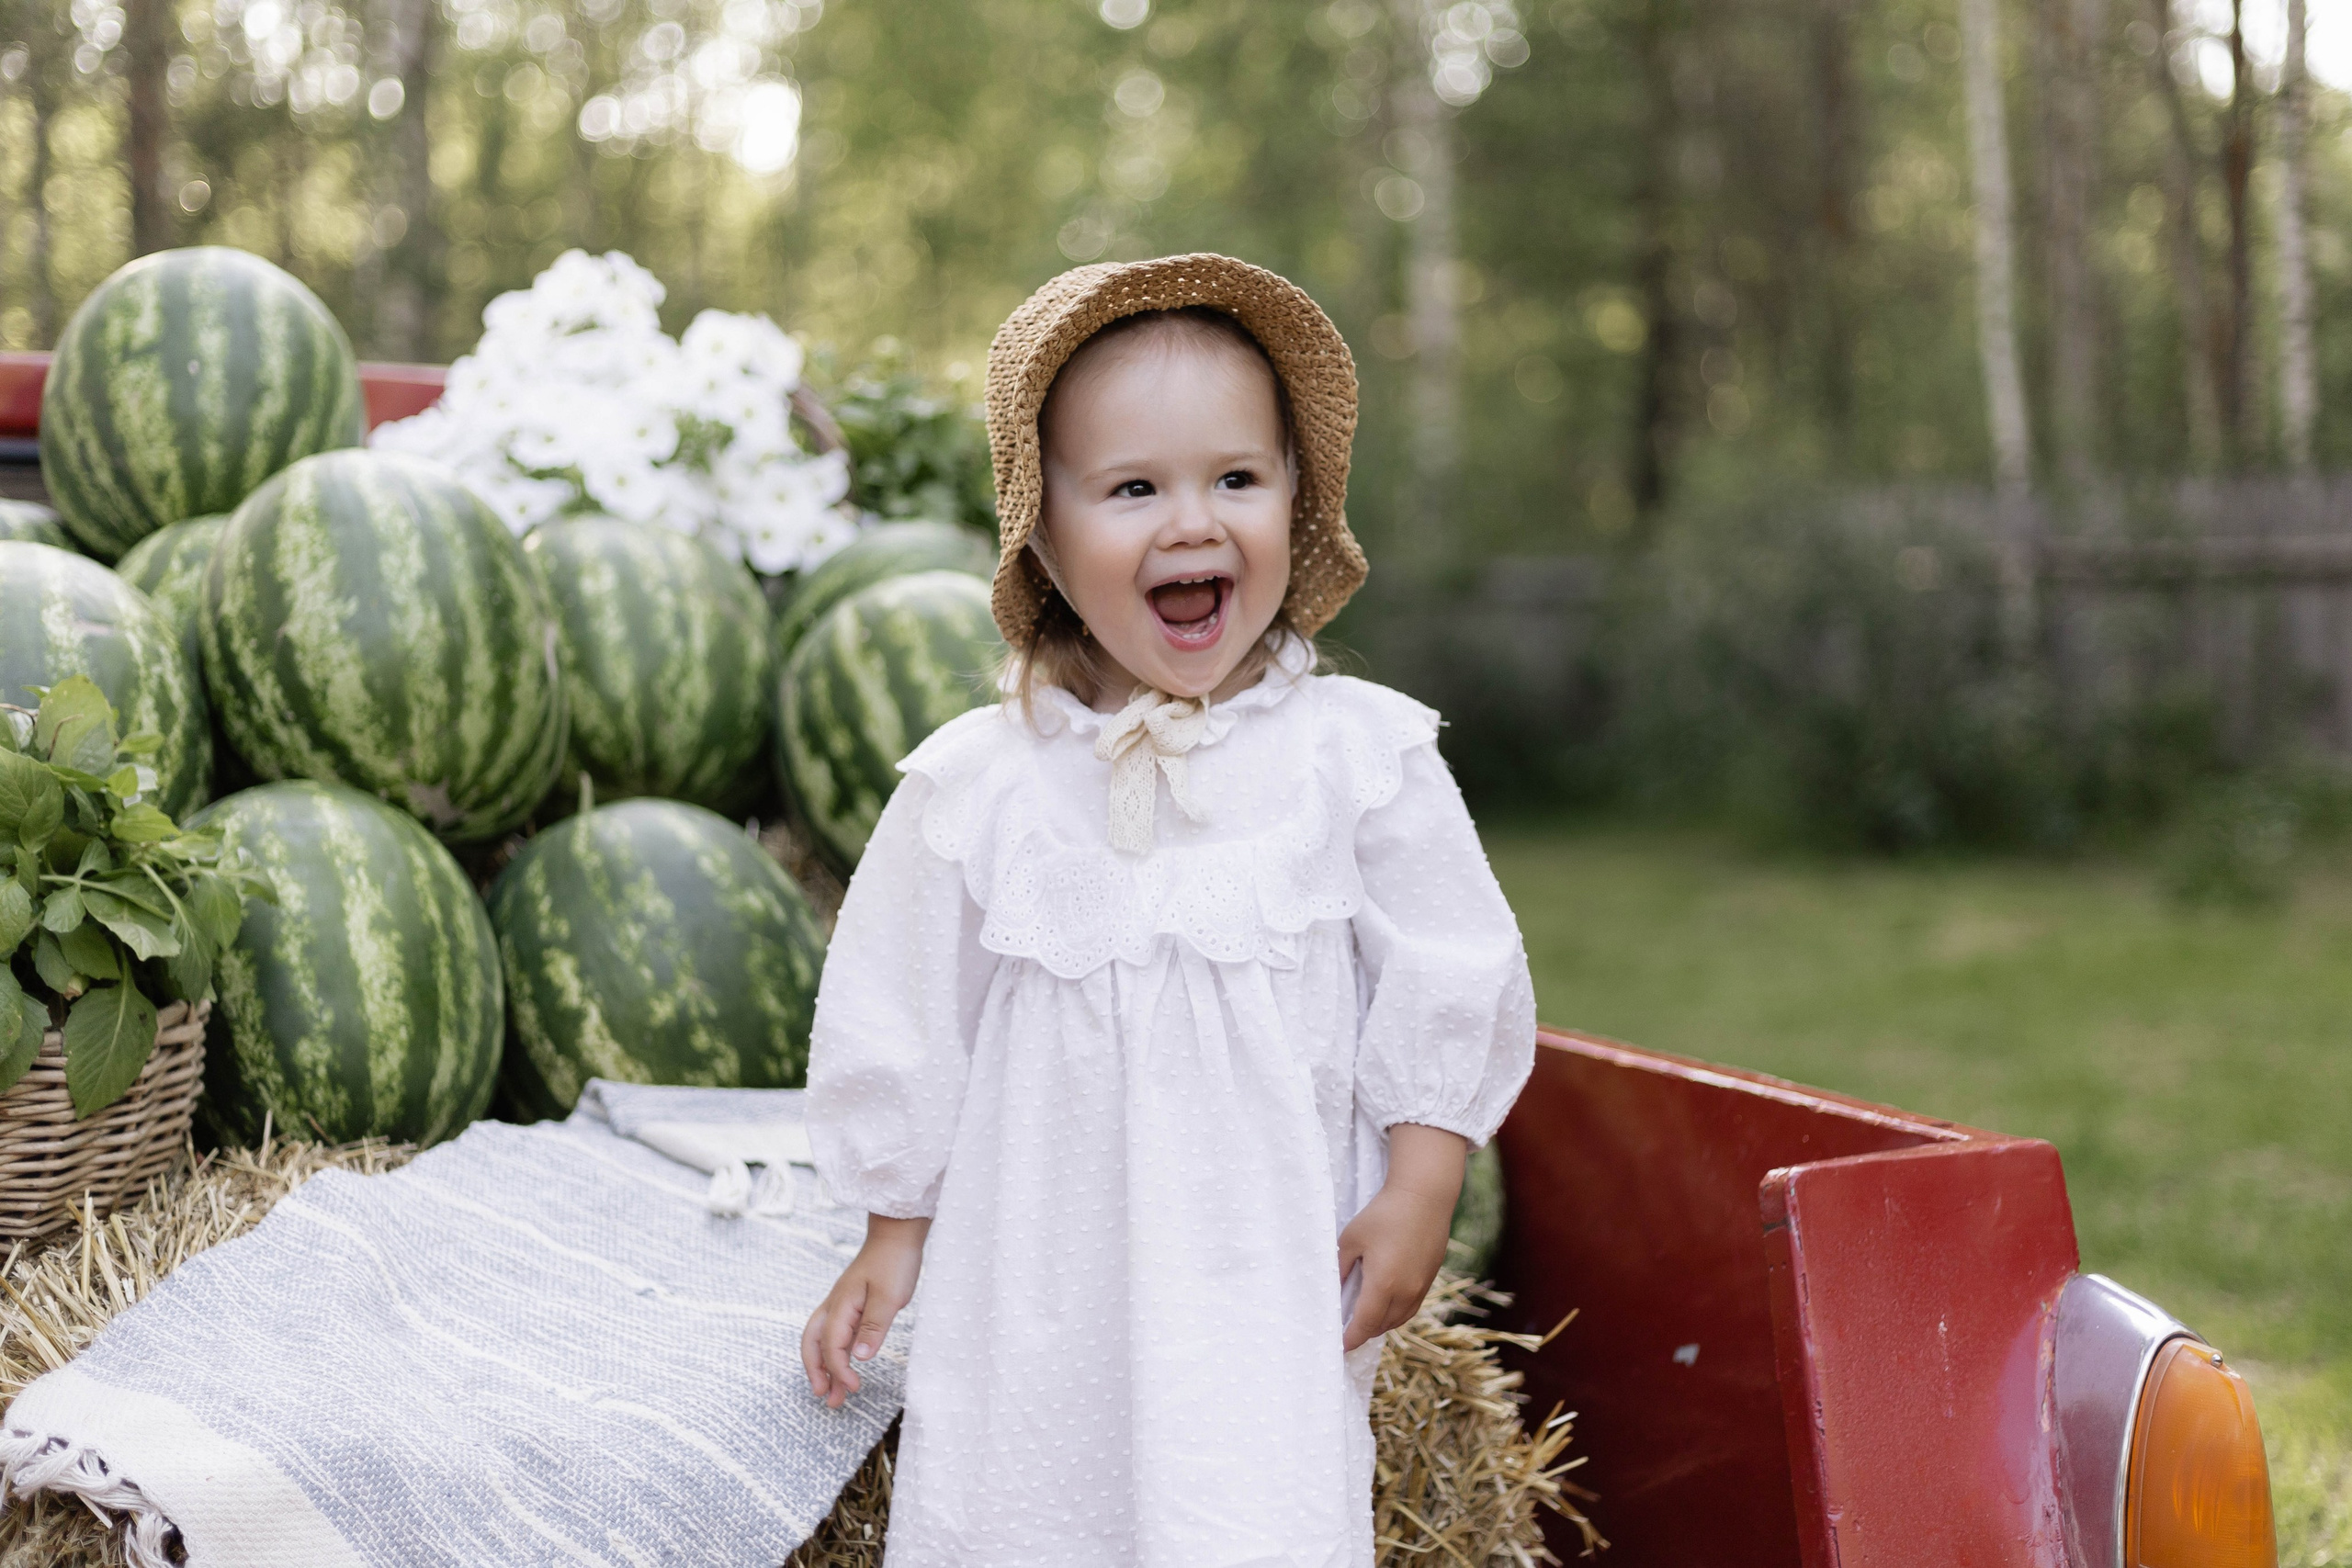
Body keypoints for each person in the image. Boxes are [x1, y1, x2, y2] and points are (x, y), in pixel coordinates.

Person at [798, 253, 1535, 1568]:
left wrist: (1426, 1177)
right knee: (1022, 1510)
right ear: (1044, 525)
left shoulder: (1356, 760)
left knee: (1248, 1508)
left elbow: (1452, 963)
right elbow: (904, 1010)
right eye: (1133, 487)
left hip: (1264, 1267)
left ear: (1296, 501)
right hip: (1041, 1274)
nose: (1191, 522)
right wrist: (890, 1235)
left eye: (1235, 479)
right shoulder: (985, 782)